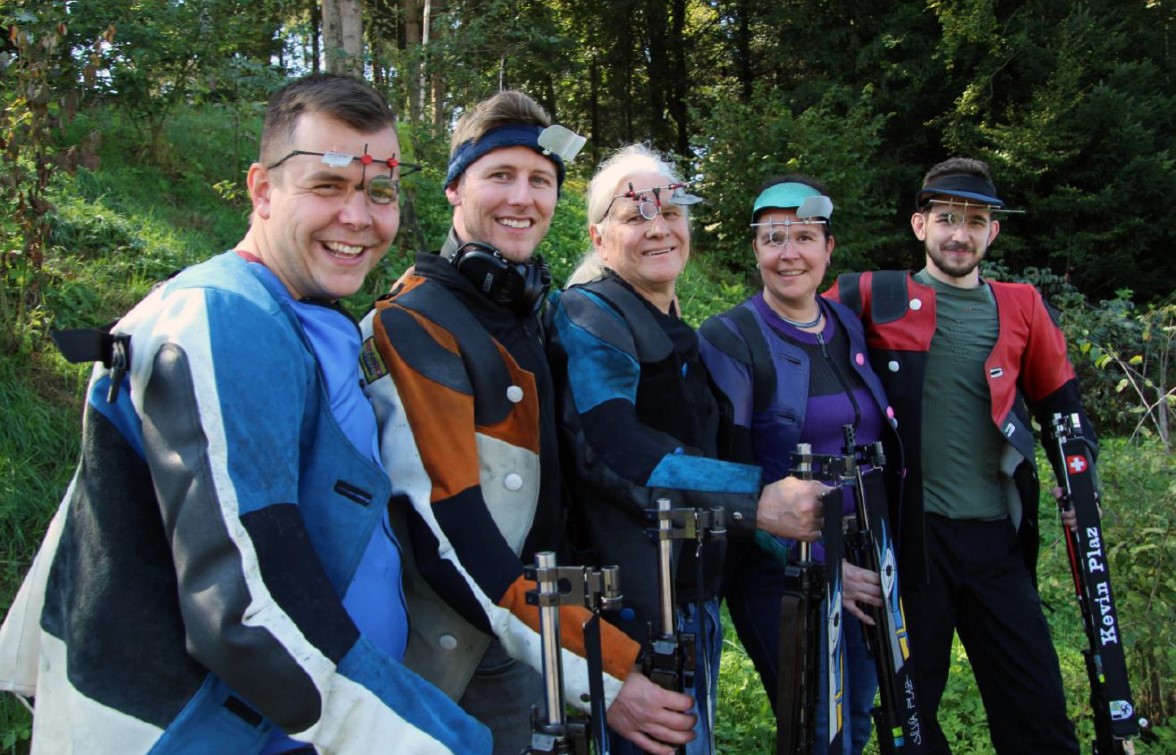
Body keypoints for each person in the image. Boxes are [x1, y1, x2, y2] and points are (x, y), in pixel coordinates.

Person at [0, 74, 489, 754]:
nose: (359, 216)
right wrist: (436, 740)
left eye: (380, 191)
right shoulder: (220, 317)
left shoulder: (307, 314)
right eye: (328, 185)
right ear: (262, 190)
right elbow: (244, 604)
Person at [358, 93, 692, 755]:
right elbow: (452, 544)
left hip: (536, 642)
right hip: (463, 662)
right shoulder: (416, 323)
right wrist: (602, 670)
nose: (522, 197)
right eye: (500, 175)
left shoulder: (523, 311)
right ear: (455, 188)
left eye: (541, 180)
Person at [546, 145, 830, 755]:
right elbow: (611, 448)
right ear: (598, 237)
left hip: (691, 596)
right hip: (634, 610)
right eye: (636, 214)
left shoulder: (670, 322)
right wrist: (755, 498)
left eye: (672, 211)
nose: (659, 227)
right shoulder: (588, 313)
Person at [825, 157, 1088, 753]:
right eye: (947, 219)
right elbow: (796, 331)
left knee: (1038, 711)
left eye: (974, 222)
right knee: (910, 714)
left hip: (997, 541)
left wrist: (1081, 483)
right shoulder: (869, 294)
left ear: (992, 232)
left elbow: (1064, 410)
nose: (959, 234)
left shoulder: (1022, 305)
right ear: (920, 224)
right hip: (911, 543)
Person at [698, 175, 901, 754]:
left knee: (856, 718)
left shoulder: (846, 324)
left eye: (805, 237)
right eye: (773, 238)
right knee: (816, 729)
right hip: (783, 571)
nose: (789, 253)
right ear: (755, 249)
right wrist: (821, 564)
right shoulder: (730, 337)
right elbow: (732, 476)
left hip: (866, 555)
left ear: (829, 248)